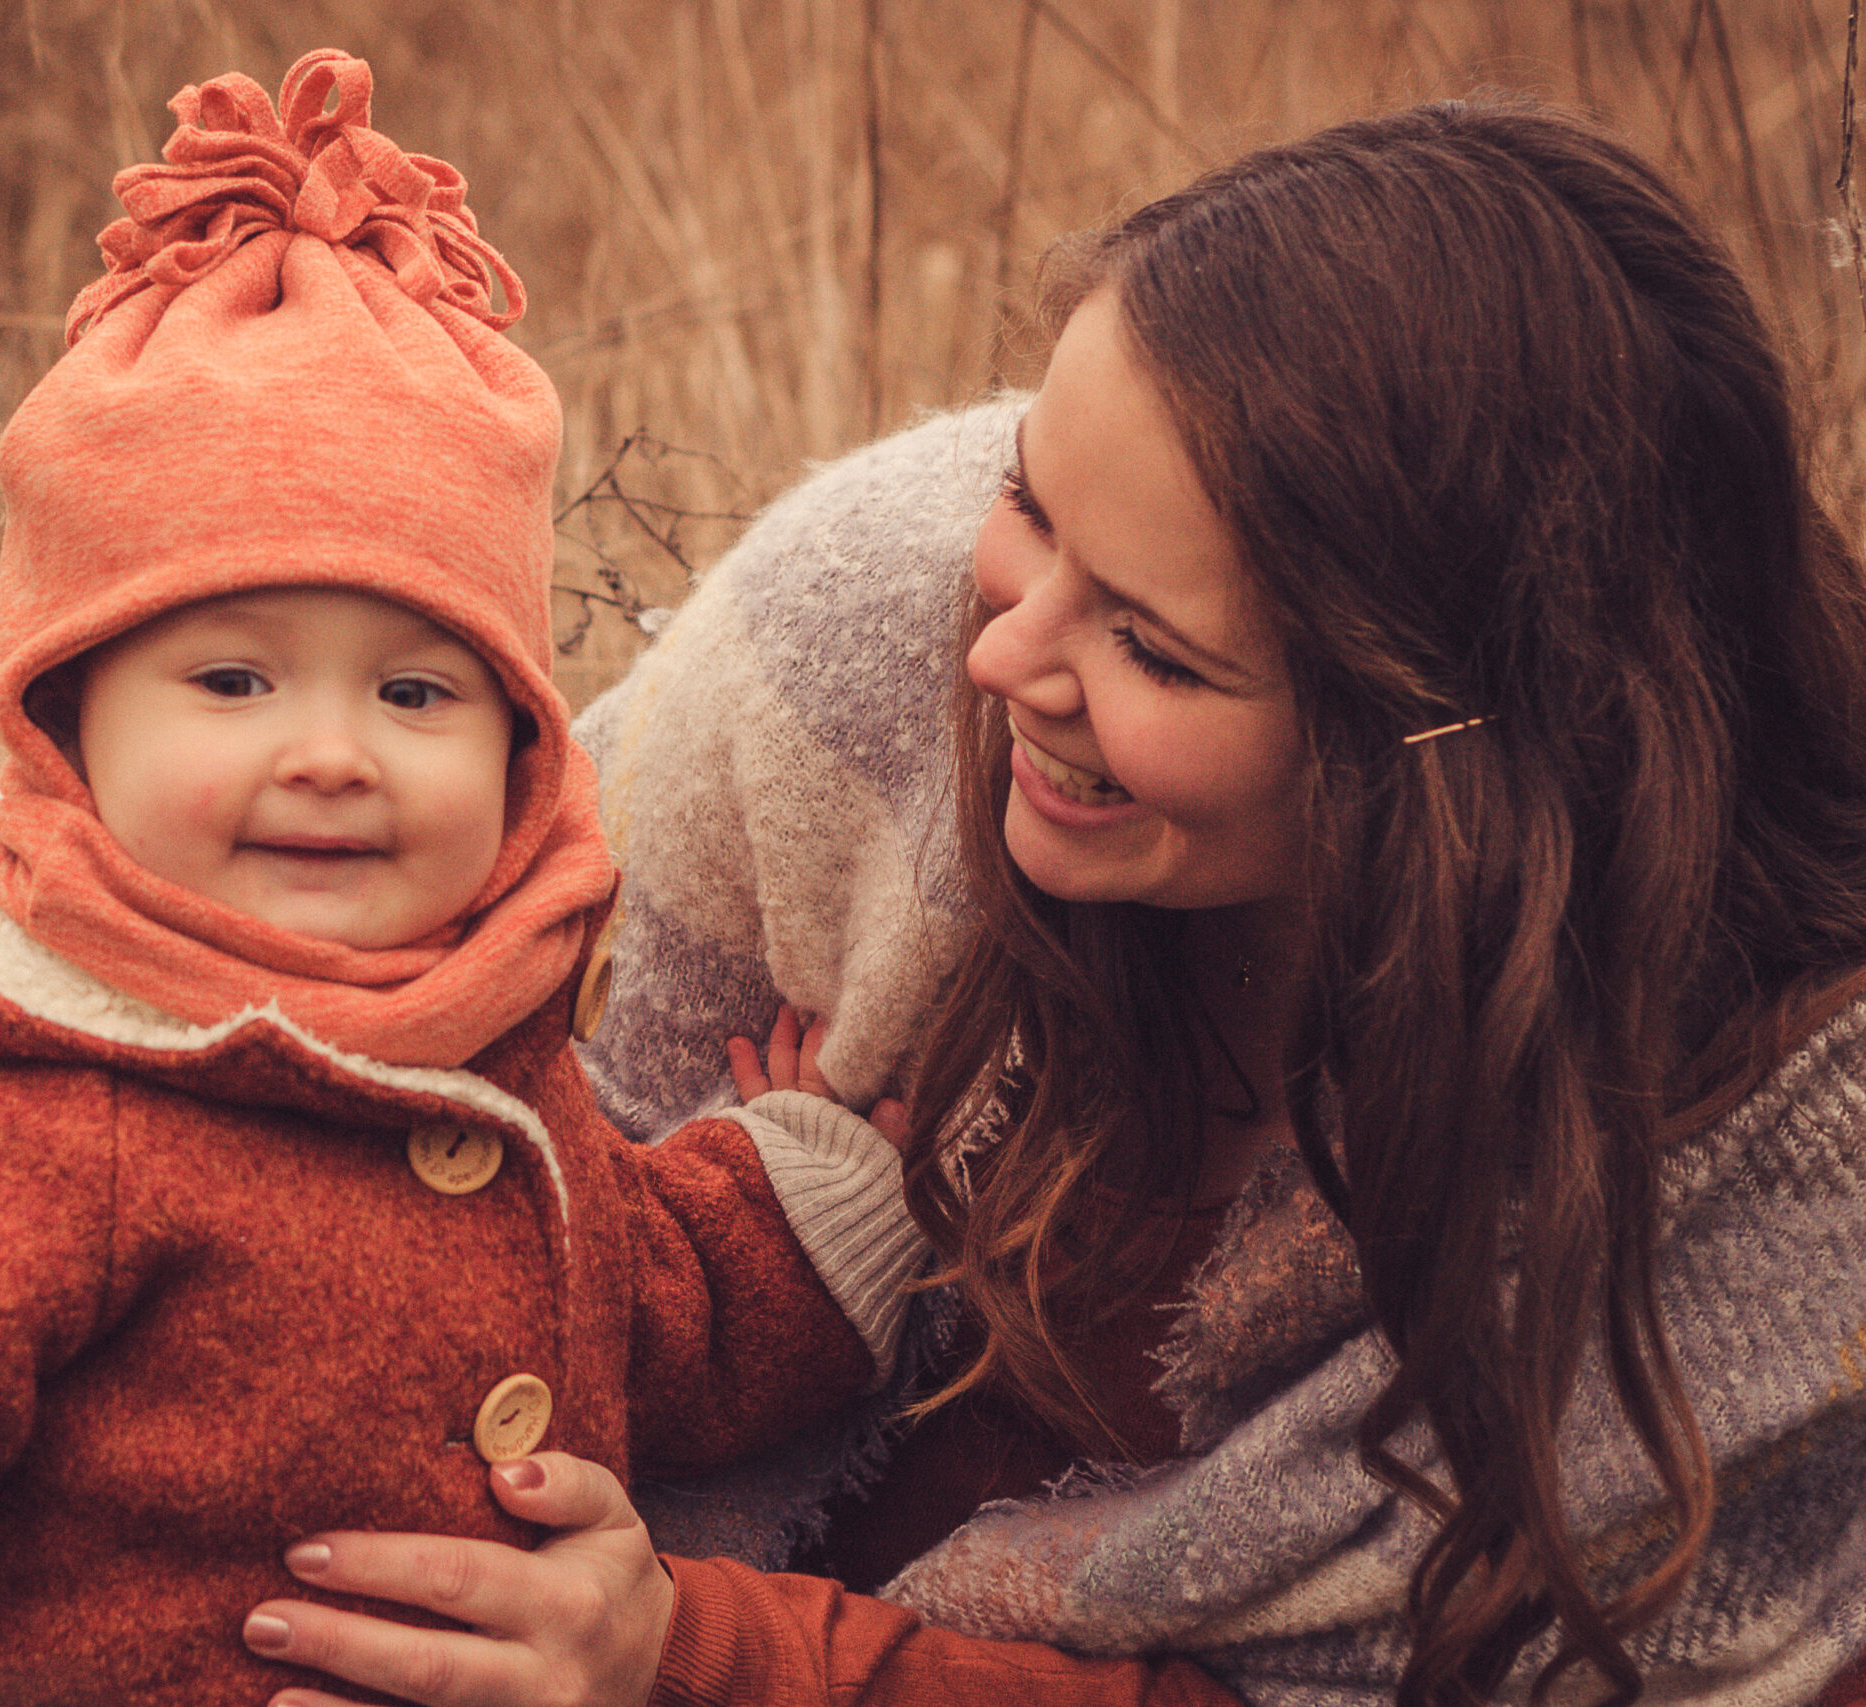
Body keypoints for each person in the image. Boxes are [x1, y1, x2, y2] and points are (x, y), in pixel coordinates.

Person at [235, 98, 1866, 1707]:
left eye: (1155, 650)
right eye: (1028, 498)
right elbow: (403, 1096)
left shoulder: (1760, 1167)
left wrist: (683, 1658)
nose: (999, 653)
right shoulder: (873, 615)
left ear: (1450, 761)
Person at [0, 51, 925, 1707]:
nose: (332, 754)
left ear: (527, 751)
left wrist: (815, 1200)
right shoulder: (2, 1097)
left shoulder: (477, 1046)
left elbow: (628, 1297)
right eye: (234, 682)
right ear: (68, 720)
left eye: (416, 693)